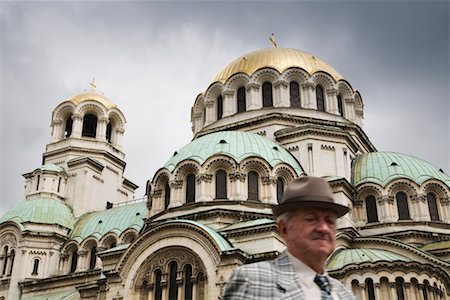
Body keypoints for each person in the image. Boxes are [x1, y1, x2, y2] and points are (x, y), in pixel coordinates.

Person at [222, 176, 355, 299]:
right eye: (311, 219)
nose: (323, 228)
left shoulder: (345, 294)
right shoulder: (252, 281)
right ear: (284, 229)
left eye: (329, 221)